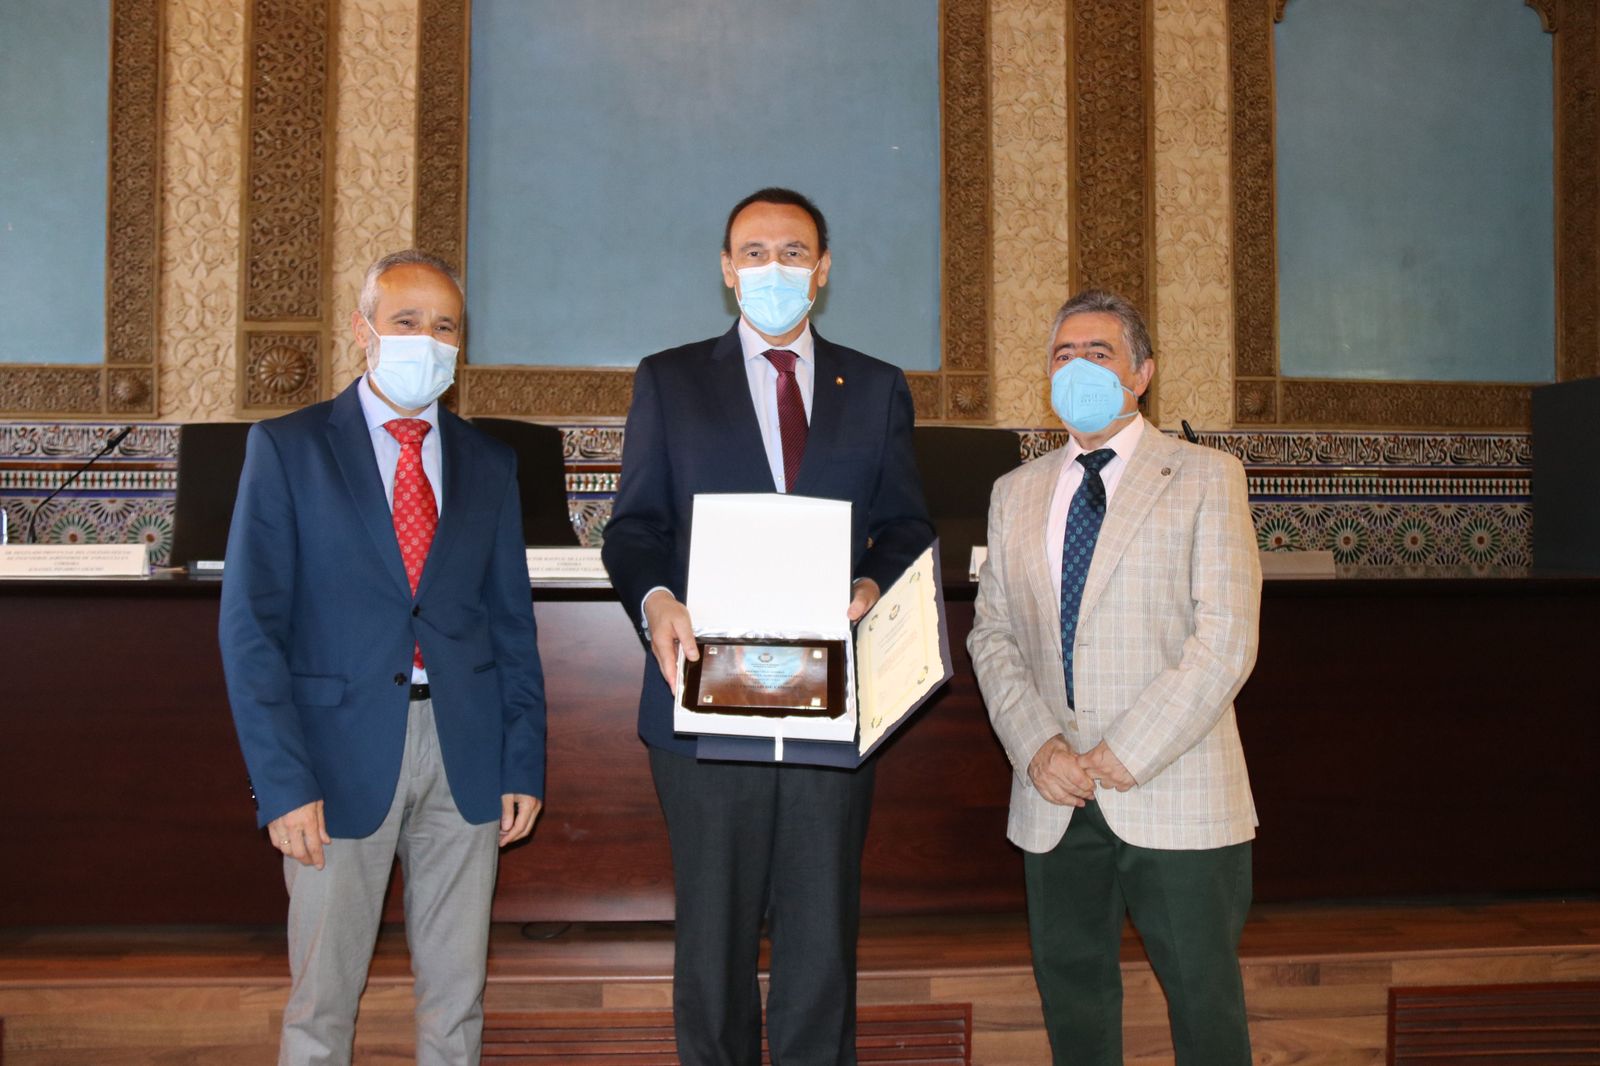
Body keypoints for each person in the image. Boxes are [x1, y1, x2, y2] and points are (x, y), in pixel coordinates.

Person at [601, 188, 933, 1065]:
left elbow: (906, 524)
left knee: (820, 941)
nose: (773, 269)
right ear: (725, 269)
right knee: (711, 946)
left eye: (794, 253)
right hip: (706, 697)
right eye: (754, 252)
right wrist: (656, 600)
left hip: (831, 697)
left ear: (822, 273)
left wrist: (872, 578)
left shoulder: (875, 386)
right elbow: (634, 529)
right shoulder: (669, 380)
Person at [219, 249, 547, 1066]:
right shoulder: (289, 448)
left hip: (466, 752)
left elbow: (512, 626)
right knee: (322, 1004)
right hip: (332, 761)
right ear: (363, 331)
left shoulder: (490, 463)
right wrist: (281, 781)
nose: (426, 341)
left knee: (456, 1002)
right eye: (406, 322)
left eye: (444, 327)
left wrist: (524, 761)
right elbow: (251, 627)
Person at [967, 289, 1261, 1065]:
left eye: (1097, 354)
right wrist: (1039, 748)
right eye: (1062, 355)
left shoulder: (1205, 476)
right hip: (1053, 795)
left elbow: (1227, 640)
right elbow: (992, 636)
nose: (1076, 368)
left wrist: (1121, 753)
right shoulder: (1014, 492)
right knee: (1073, 994)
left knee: (1204, 1000)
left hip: (1172, 783)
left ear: (1143, 373)